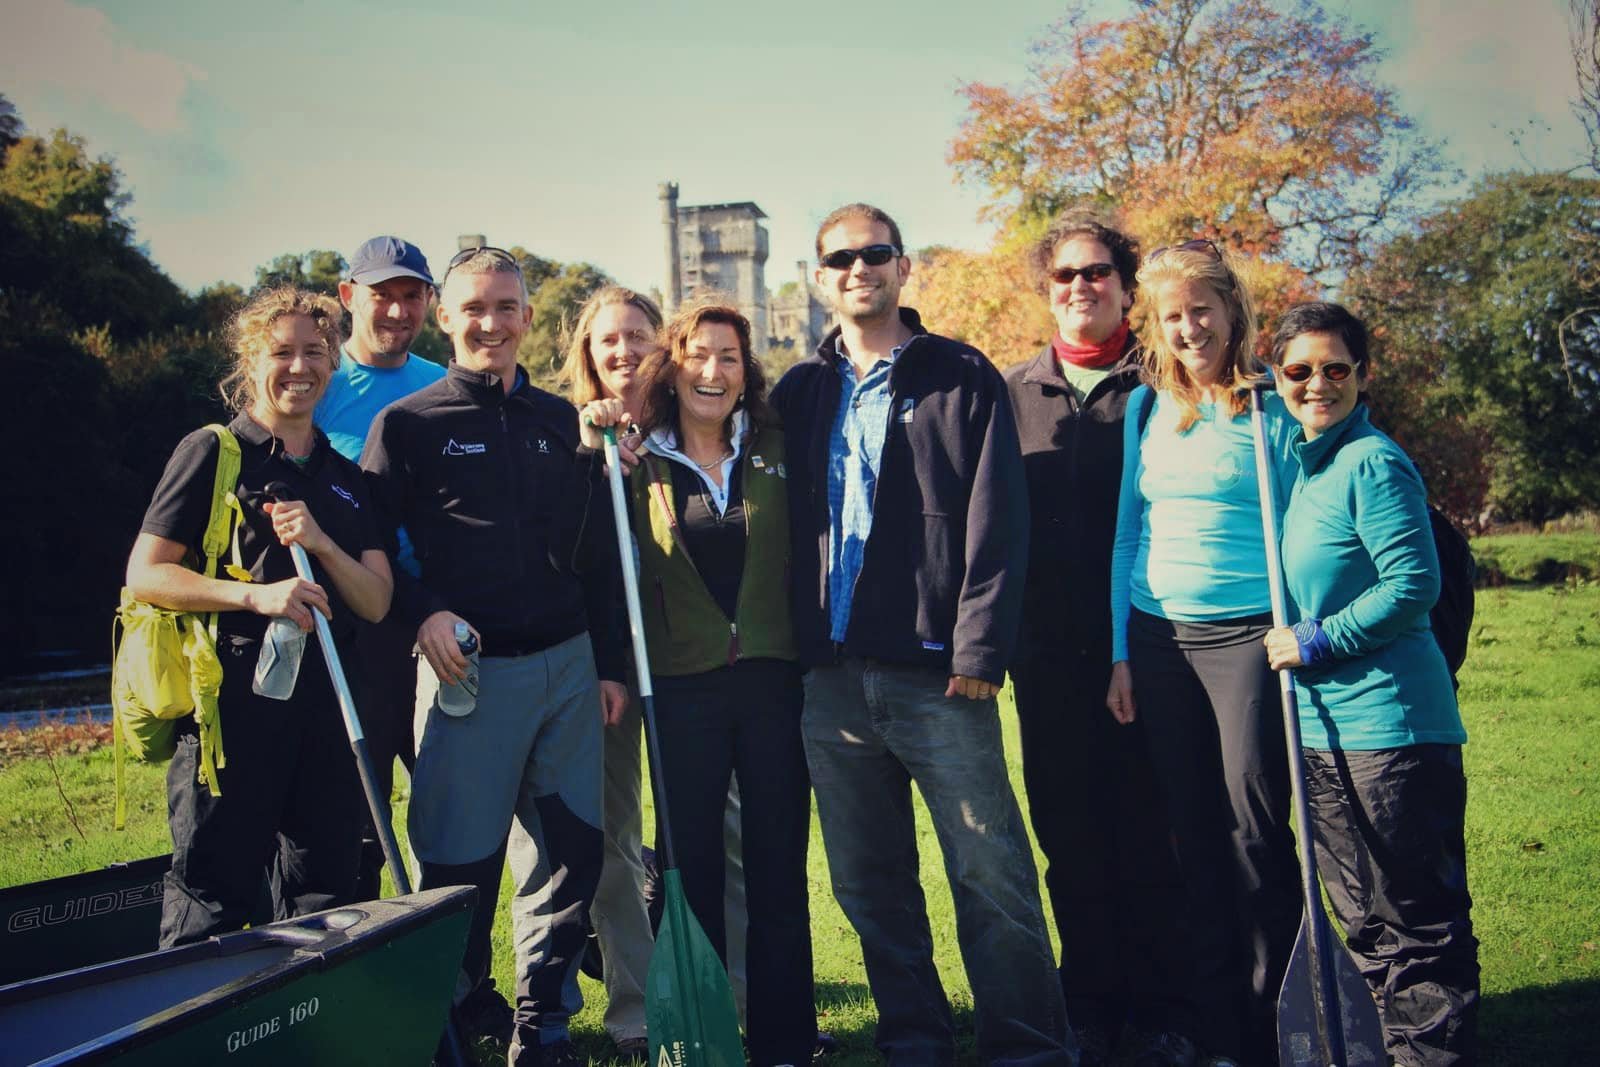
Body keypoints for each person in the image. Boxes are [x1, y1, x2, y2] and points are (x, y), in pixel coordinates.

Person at [771, 202, 1073, 1066]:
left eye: (875, 254)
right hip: (829, 679)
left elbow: (997, 518)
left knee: (991, 872)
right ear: (819, 276)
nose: (857, 269)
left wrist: (979, 648)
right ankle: (916, 1039)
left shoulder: (960, 375)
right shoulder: (800, 390)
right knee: (870, 883)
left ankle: (1028, 1046)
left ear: (903, 268)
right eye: (839, 258)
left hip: (940, 676)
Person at [360, 247, 627, 1066]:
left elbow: (602, 553)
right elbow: (366, 545)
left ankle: (541, 1025)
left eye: (507, 307)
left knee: (571, 853)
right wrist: (421, 613)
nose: (490, 323)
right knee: (459, 868)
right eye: (474, 307)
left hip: (569, 666)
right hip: (466, 674)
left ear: (528, 318)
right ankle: (451, 1023)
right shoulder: (407, 424)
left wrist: (610, 663)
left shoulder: (562, 419)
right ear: (444, 315)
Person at [583, 297, 817, 1067]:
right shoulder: (635, 456)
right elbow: (604, 571)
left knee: (779, 867)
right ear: (672, 366)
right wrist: (601, 463)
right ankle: (709, 1038)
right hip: (680, 688)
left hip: (773, 682)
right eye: (698, 356)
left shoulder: (779, 444)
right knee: (693, 872)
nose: (712, 372)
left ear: (746, 370)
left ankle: (783, 1041)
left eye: (729, 357)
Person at [126, 286, 393, 948]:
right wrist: (257, 596)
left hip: (329, 715)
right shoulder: (215, 453)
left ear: (334, 363)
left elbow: (377, 600)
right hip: (232, 718)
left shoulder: (343, 476)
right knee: (212, 895)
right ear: (250, 359)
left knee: (324, 891)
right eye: (281, 352)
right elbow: (147, 572)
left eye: (314, 352)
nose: (299, 367)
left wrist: (324, 544)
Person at [1262, 301, 1478, 1066]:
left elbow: (1412, 583)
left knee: (1414, 917)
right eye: (1298, 370)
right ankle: (1388, 1048)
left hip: (1392, 728)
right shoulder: (1303, 463)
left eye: (1335, 369)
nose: (1316, 383)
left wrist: (1316, 639)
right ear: (1276, 376)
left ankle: (1430, 1054)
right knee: (1364, 919)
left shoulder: (1373, 461)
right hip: (1322, 730)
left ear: (1363, 375)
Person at [1105, 240, 1302, 1066]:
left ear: (1231, 311)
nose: (1189, 329)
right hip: (1158, 639)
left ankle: (1279, 1015)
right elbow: (1126, 536)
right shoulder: (1147, 410)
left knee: (1255, 827)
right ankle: (1218, 1026)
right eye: (1172, 316)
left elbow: (1306, 531)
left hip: (1249, 638)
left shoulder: (1271, 409)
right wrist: (1120, 653)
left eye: (1201, 311)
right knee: (1188, 831)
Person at [1003, 209, 1187, 1066]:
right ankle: (1091, 1007)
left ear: (1125, 285)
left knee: (1150, 836)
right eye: (1065, 276)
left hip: (1152, 652)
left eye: (1098, 273)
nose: (1082, 287)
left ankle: (1162, 1011)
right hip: (1044, 665)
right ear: (1048, 291)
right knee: (1070, 841)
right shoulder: (1008, 396)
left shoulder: (1170, 387)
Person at [314, 236, 446, 908]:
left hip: (438, 625)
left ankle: (460, 979)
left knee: (452, 812)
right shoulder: (316, 386)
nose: (397, 310)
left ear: (429, 302)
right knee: (359, 819)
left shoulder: (442, 384)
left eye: (410, 295)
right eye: (381, 295)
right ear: (348, 298)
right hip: (354, 631)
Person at [562, 285, 665, 1062]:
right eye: (607, 341)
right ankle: (633, 1001)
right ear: (586, 355)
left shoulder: (695, 422)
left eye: (637, 335)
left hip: (695, 662)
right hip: (611, 672)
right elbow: (572, 564)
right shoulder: (564, 442)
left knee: (717, 830)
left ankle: (731, 989)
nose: (623, 351)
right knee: (614, 838)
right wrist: (604, 663)